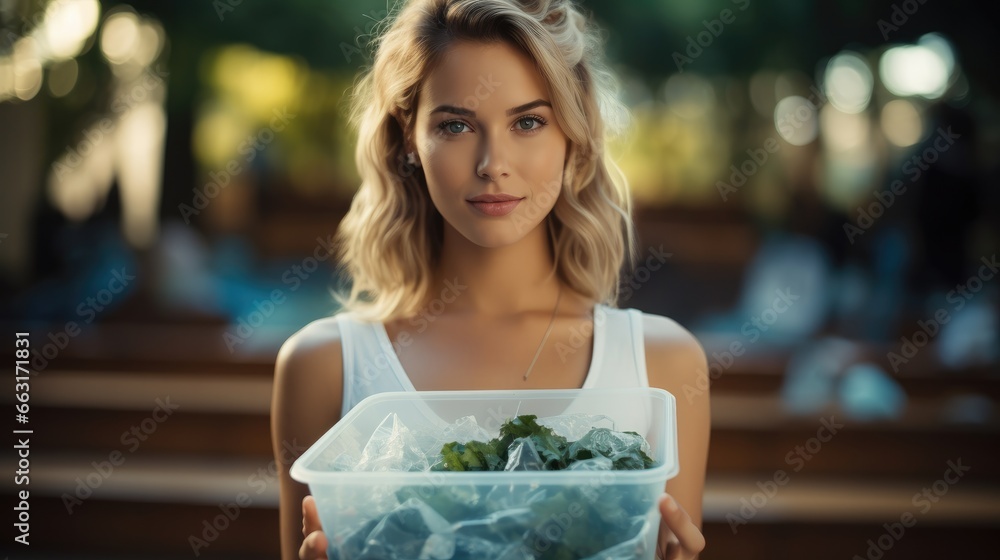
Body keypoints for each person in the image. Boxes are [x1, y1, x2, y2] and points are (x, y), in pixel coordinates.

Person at [271, 1, 710, 558]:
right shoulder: (323, 366)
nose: (492, 162)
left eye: (528, 122)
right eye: (455, 125)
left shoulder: (665, 362)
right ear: (410, 137)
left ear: (571, 136)